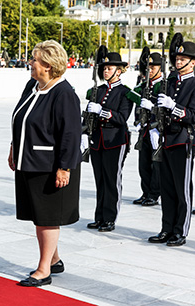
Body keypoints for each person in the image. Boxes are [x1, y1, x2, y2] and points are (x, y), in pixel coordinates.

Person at [8, 40, 81, 287]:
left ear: (49, 65)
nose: (31, 63)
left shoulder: (64, 94)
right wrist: (13, 147)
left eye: (35, 59)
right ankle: (55, 259)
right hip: (28, 160)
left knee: (47, 217)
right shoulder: (33, 86)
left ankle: (43, 269)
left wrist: (65, 167)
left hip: (50, 165)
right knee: (39, 215)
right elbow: (21, 118)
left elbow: (71, 133)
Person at [148, 37, 195, 247]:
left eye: (183, 58)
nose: (178, 62)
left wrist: (173, 106)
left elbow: (192, 115)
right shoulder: (171, 82)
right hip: (166, 139)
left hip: (183, 141)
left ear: (192, 62)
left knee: (182, 189)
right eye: (177, 58)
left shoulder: (194, 84)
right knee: (166, 188)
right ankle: (167, 228)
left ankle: (180, 231)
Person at [83, 52, 134, 232]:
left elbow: (121, 118)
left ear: (119, 71)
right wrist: (84, 133)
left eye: (110, 68)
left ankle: (110, 218)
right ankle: (99, 217)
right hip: (97, 140)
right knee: (100, 180)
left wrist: (101, 111)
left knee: (112, 181)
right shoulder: (99, 91)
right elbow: (88, 115)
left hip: (115, 140)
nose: (105, 71)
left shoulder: (125, 93)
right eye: (104, 68)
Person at [129, 52, 163, 207]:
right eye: (148, 66)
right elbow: (136, 103)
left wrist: (153, 108)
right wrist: (137, 121)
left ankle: (154, 194)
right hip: (145, 129)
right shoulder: (143, 86)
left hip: (157, 130)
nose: (150, 69)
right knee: (143, 163)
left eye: (153, 66)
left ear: (160, 68)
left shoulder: (164, 85)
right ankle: (145, 191)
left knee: (156, 164)